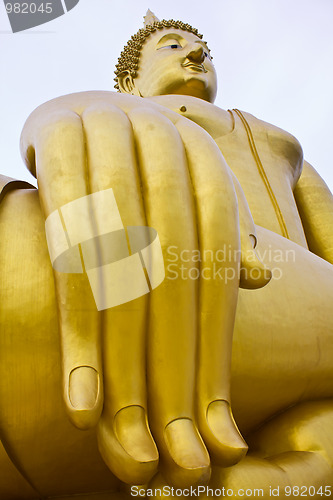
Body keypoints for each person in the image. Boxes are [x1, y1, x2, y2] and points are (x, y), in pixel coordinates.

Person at [0, 11, 333, 498]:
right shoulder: (109, 119)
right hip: (129, 289)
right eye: (171, 46)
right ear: (132, 80)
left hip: (268, 312)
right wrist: (62, 113)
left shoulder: (278, 145)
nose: (195, 54)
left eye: (203, 50)